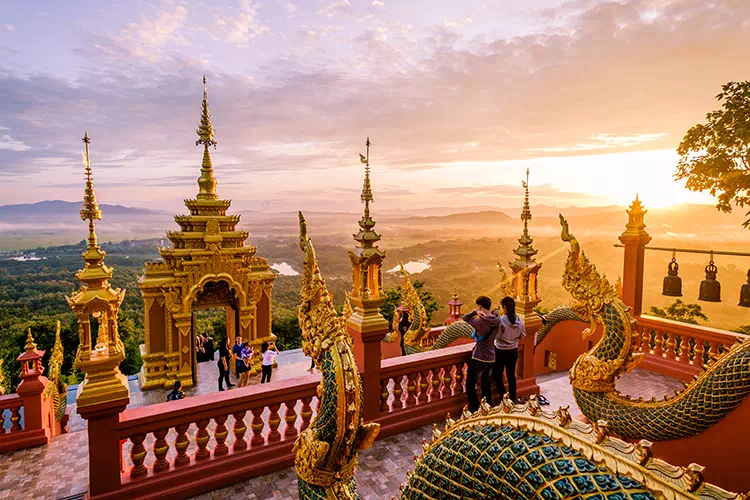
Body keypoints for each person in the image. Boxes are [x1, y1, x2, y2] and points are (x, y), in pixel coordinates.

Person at [462, 296, 501, 412]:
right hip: (491, 356)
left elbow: (465, 318)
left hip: (479, 357)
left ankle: (474, 407)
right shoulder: (497, 320)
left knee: (470, 384)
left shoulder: (479, 322)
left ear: (479, 306)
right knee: (486, 383)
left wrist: (474, 312)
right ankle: (487, 406)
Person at [493, 296, 526, 403]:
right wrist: (514, 339)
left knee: (497, 374)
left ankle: (503, 396)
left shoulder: (501, 320)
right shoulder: (518, 320)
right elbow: (523, 335)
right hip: (513, 350)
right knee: (511, 375)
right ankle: (512, 398)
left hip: (501, 350)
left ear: (505, 307)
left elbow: (496, 337)